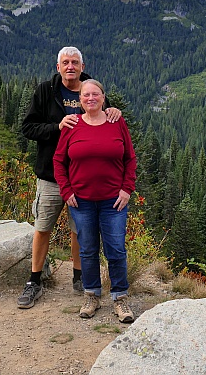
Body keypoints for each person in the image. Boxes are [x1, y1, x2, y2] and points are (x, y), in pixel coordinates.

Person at [17, 47, 121, 309]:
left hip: (83, 180)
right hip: (51, 177)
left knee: (80, 232)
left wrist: (114, 112)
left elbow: (105, 123)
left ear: (82, 65)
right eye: (66, 62)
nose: (71, 66)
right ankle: (34, 280)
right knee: (43, 227)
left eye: (75, 62)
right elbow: (27, 127)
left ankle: (79, 278)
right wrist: (57, 127)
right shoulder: (45, 91)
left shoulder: (90, 91)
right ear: (58, 66)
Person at [53, 79, 136, 323]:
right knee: (88, 250)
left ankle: (120, 298)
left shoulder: (116, 121)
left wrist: (126, 189)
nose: (91, 98)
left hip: (114, 202)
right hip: (82, 202)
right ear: (80, 100)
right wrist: (66, 191)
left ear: (103, 97)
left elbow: (130, 158)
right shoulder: (72, 125)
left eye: (95, 94)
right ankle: (92, 295)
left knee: (116, 250)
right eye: (86, 95)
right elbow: (59, 161)